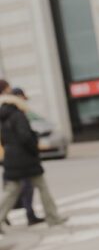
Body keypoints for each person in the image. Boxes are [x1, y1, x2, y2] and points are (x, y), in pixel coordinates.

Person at [0, 80, 67, 230]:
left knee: (11, 190)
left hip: (11, 157)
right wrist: (34, 146)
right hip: (26, 158)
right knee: (41, 186)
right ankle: (53, 217)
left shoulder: (3, 117)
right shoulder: (18, 115)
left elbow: (4, 139)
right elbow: (25, 137)